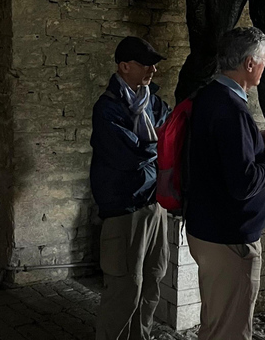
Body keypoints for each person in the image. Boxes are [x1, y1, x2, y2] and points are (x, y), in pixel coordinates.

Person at [184, 27, 265, 340]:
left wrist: (254, 142)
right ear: (249, 64)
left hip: (208, 229)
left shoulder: (210, 95)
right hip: (229, 239)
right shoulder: (231, 109)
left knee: (216, 323)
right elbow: (243, 183)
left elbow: (219, 156)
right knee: (230, 331)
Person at [89, 36, 171, 340]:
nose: (152, 70)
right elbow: (129, 156)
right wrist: (160, 147)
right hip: (123, 209)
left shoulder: (152, 101)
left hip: (153, 204)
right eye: (146, 64)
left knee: (152, 282)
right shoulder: (107, 110)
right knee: (125, 290)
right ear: (124, 66)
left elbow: (169, 131)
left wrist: (158, 145)